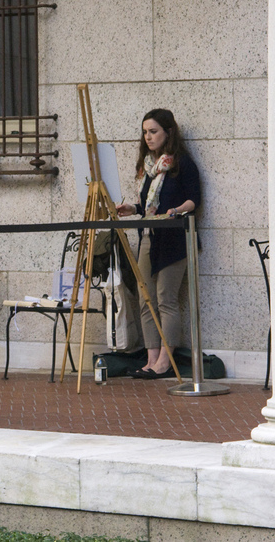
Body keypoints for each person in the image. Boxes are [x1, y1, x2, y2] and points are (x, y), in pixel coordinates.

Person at [116, 109, 201, 379]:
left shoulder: (182, 163)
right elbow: (150, 205)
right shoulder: (151, 168)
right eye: (145, 132)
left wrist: (177, 210)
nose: (148, 137)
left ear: (169, 132)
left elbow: (194, 200)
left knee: (166, 299)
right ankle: (151, 359)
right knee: (146, 298)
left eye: (153, 131)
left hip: (174, 237)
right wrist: (133, 207)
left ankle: (166, 360)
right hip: (150, 236)